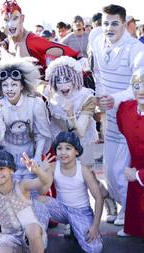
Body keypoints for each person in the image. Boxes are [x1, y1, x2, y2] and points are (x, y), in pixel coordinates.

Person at [89, 4, 144, 226]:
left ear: (124, 24)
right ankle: (123, 208)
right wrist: (100, 99)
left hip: (129, 116)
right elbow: (98, 74)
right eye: (105, 23)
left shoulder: (136, 49)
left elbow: (140, 86)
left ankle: (129, 214)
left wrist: (117, 98)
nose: (109, 28)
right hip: (108, 115)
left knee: (122, 170)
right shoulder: (95, 40)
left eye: (114, 23)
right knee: (110, 173)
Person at [45, 56, 117, 224]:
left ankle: (108, 201)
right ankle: (76, 219)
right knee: (67, 182)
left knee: (89, 177)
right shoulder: (51, 95)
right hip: (62, 145)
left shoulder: (87, 97)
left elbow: (81, 131)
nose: (63, 85)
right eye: (59, 80)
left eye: (67, 79)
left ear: (76, 78)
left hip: (82, 142)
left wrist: (70, 114)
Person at [0, 57, 52, 180]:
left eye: (14, 84)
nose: (9, 89)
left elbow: (42, 134)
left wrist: (37, 157)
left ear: (22, 86)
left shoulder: (35, 104)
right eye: (5, 85)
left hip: (30, 159)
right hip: (6, 162)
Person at [41, 131, 103, 253]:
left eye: (68, 148)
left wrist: (95, 226)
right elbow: (42, 192)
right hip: (61, 209)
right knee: (38, 201)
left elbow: (99, 198)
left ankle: (76, 229)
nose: (63, 152)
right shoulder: (53, 167)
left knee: (94, 248)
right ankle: (39, 238)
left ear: (77, 151)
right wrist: (42, 172)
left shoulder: (83, 170)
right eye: (59, 148)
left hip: (81, 212)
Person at [0, 0, 79, 71]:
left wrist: (79, 61)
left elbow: (66, 51)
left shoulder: (32, 41)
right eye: (6, 20)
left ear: (22, 18)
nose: (10, 24)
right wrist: (5, 43)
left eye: (15, 18)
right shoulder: (8, 40)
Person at [116, 68, 144, 238]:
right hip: (135, 166)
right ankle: (133, 226)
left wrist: (139, 175)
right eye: (137, 85)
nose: (141, 90)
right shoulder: (125, 109)